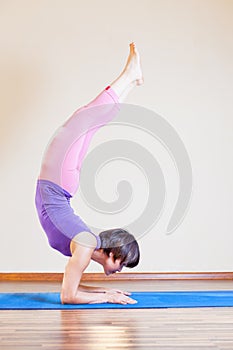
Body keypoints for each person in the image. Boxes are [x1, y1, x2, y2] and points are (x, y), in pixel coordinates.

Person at [35, 42, 144, 305]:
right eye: (124, 264)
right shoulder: (85, 244)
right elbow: (69, 296)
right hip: (57, 182)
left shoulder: (85, 247)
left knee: (87, 120)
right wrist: (107, 297)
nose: (121, 270)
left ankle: (131, 79)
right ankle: (129, 78)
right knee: (86, 119)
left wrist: (105, 294)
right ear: (115, 254)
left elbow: (69, 289)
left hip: (60, 183)